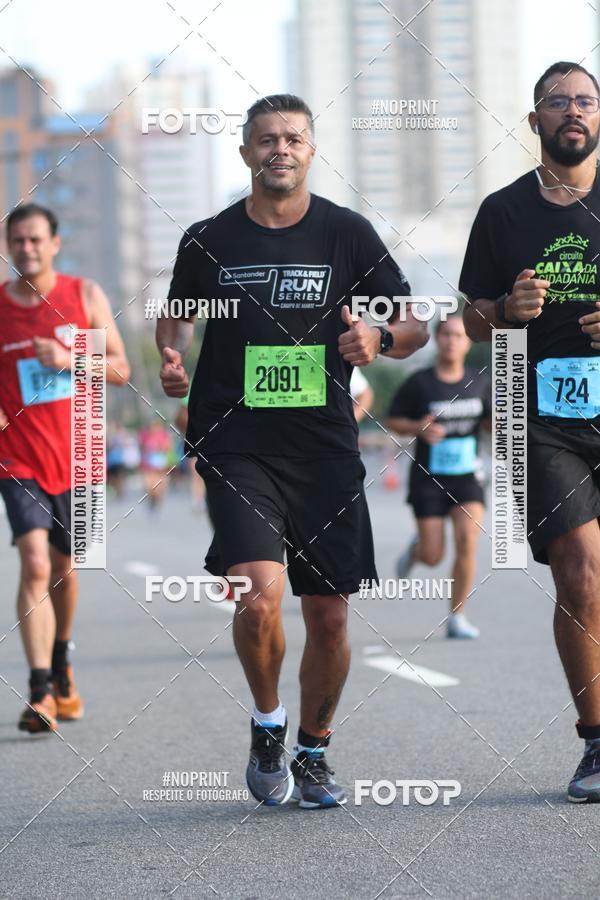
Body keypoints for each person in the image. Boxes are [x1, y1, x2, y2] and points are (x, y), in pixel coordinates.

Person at [157, 94, 428, 808]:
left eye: (294, 139)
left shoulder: (346, 234)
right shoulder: (210, 238)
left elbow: (410, 321)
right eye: (266, 139)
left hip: (324, 447)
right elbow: (176, 314)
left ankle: (313, 748)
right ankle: (268, 720)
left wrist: (382, 340)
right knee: (257, 595)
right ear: (245, 152)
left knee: (330, 615)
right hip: (235, 442)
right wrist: (170, 357)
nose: (280, 149)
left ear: (311, 150)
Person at [460, 61, 600, 801]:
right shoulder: (502, 212)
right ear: (535, 120)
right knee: (580, 569)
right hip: (540, 414)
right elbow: (468, 320)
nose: (571, 112)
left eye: (584, 100)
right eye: (557, 102)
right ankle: (596, 743)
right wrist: (506, 310)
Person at [0, 203, 129, 733]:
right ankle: (40, 693)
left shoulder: (85, 295)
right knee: (34, 562)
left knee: (66, 570)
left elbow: (120, 369)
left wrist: (72, 356)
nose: (26, 249)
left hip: (82, 455)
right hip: (18, 457)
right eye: (17, 241)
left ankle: (60, 657)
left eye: (35, 240)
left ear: (55, 243)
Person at [386, 315, 490, 639]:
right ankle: (417, 550)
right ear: (436, 338)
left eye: (458, 335)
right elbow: (392, 420)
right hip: (429, 478)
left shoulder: (480, 381)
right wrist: (419, 428)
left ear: (468, 341)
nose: (451, 341)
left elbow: (489, 422)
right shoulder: (419, 382)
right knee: (434, 556)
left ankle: (457, 617)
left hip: (467, 476)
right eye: (445, 335)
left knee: (467, 541)